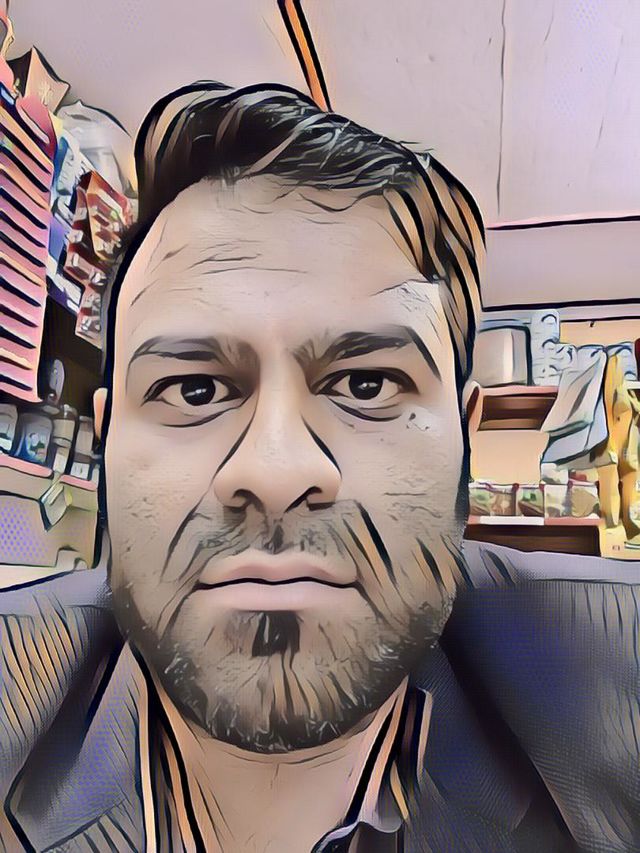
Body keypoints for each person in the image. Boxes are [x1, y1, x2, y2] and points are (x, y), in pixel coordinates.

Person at [1, 82, 638, 853]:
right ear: (107, 447)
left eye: (366, 384)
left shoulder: (611, 683)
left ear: (463, 447)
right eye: (194, 389)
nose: (275, 469)